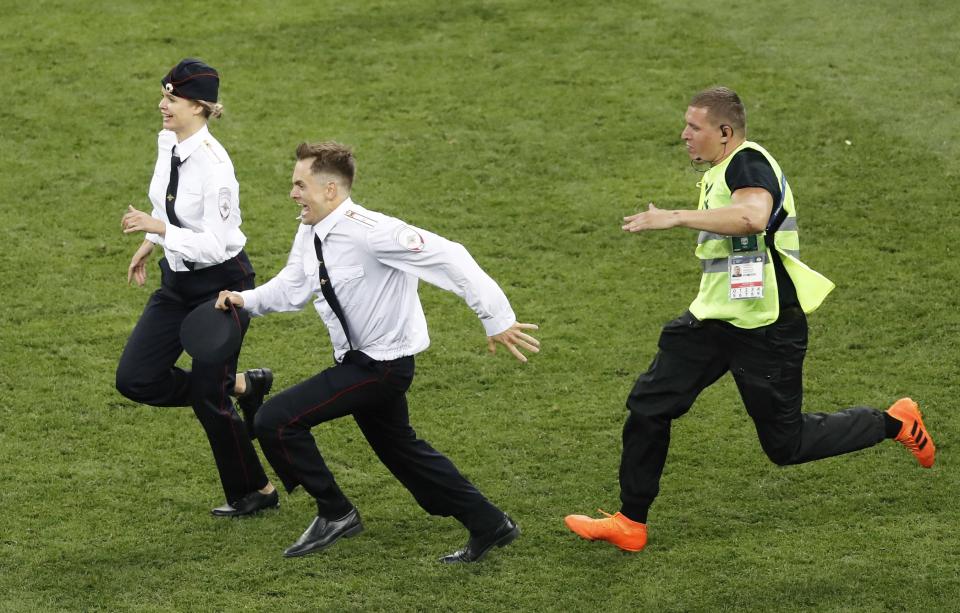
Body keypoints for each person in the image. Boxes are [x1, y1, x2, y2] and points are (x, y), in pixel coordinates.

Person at [564, 86, 935, 553]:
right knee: (649, 404)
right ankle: (630, 522)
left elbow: (753, 218)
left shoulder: (747, 161)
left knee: (787, 444)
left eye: (693, 127)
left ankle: (894, 421)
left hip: (766, 326)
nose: (683, 135)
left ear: (724, 132)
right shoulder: (722, 168)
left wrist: (675, 218)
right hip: (715, 320)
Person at [215, 141, 540, 562]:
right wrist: (247, 300)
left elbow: (452, 257)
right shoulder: (311, 229)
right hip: (359, 363)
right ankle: (490, 523)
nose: (293, 193)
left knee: (277, 420)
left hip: (382, 367)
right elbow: (295, 285)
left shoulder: (373, 232)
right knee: (404, 452)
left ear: (330, 190)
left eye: (300, 185)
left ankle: (336, 513)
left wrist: (496, 319)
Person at [117, 58, 278, 518]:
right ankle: (244, 386)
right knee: (135, 379)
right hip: (177, 283)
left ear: (199, 107)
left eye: (171, 99)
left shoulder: (215, 166)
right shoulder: (169, 141)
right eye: (164, 95)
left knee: (209, 399)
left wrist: (162, 232)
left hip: (222, 287)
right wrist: (151, 240)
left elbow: (216, 245)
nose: (161, 105)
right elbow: (162, 201)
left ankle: (258, 492)